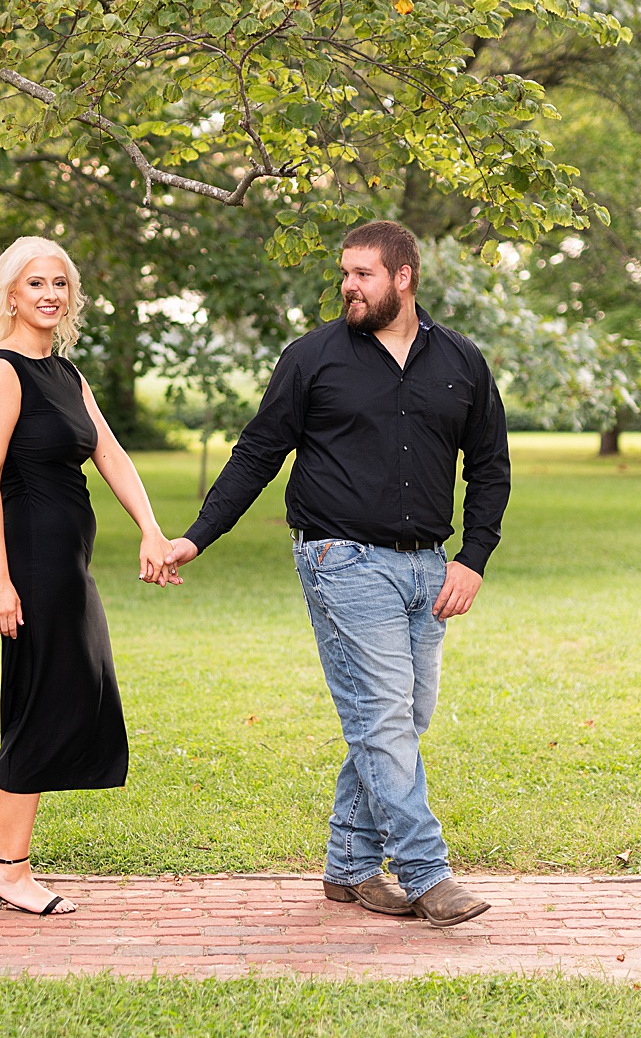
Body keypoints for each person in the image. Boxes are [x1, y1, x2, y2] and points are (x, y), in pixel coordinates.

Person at [164, 219, 510, 928]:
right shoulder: (312, 357)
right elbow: (258, 452)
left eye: (362, 274)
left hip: (428, 568)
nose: (348, 285)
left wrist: (473, 557)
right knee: (383, 719)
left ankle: (349, 864)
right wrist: (198, 536)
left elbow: (490, 465)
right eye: (344, 273)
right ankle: (427, 872)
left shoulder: (461, 360)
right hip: (341, 558)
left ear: (403, 277)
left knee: (402, 720)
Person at [0, 235, 178, 916]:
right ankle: (9, 868)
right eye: (36, 283)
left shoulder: (65, 373)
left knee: (72, 695)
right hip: (31, 560)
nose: (50, 294)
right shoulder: (2, 373)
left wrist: (151, 529)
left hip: (69, 562)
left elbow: (111, 454)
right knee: (45, 704)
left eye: (60, 283)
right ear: (11, 294)